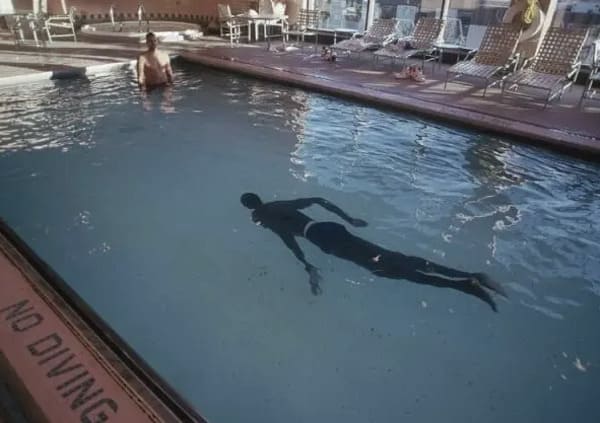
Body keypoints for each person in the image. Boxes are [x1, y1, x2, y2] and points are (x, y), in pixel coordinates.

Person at [240, 193, 507, 311]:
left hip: (323, 239)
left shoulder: (265, 218)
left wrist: (307, 266)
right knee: (388, 259)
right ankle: (469, 279)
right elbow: (318, 199)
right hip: (328, 228)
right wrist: (349, 219)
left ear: (251, 210)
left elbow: (290, 242)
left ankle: (468, 284)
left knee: (384, 268)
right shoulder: (279, 205)